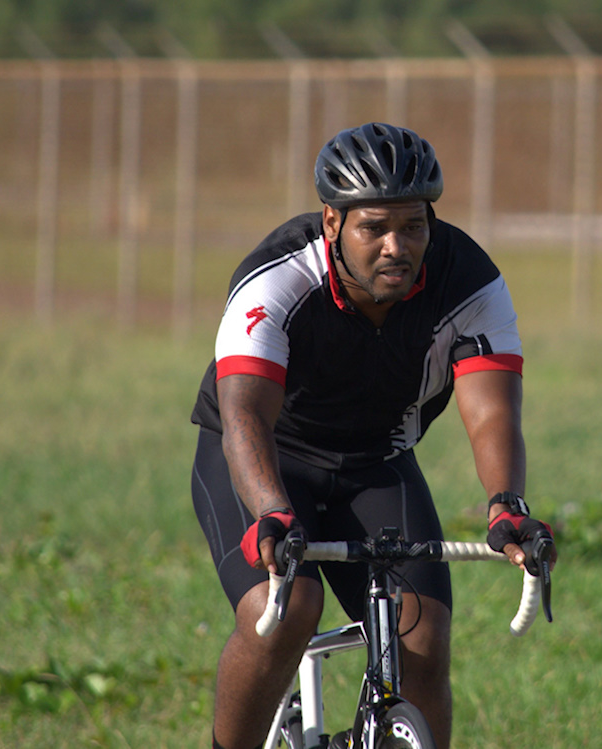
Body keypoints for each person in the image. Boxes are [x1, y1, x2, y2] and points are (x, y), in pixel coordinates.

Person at [190, 122, 553, 749]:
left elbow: (492, 410)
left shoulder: (468, 283)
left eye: (413, 226)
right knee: (285, 613)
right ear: (332, 223)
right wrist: (272, 511)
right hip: (266, 455)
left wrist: (507, 504)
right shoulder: (277, 279)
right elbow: (246, 414)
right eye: (374, 227)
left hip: (374, 460)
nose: (396, 246)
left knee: (423, 639)